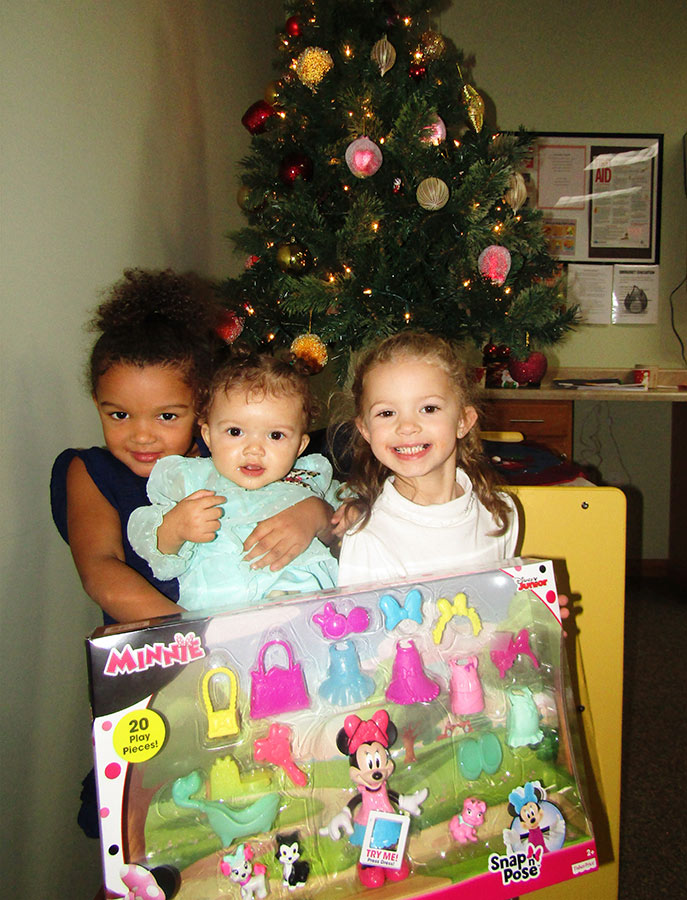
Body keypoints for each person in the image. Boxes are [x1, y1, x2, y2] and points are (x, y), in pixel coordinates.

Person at [51, 269, 334, 626]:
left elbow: (325, 506)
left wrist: (313, 514)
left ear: (201, 408)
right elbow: (101, 573)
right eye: (120, 415)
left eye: (166, 416)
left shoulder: (234, 451)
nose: (142, 435)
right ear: (97, 403)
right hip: (165, 647)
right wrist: (199, 636)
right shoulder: (91, 471)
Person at [127, 350, 338, 612]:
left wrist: (315, 515)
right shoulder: (192, 481)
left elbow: (346, 528)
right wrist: (175, 527)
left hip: (307, 613)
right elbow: (145, 539)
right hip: (224, 616)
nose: (254, 449)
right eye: (235, 432)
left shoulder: (309, 477)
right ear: (208, 435)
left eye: (275, 435)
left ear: (299, 446)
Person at [336, 331, 517, 587]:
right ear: (366, 430)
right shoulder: (370, 537)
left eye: (429, 409)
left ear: (463, 421)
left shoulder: (500, 513)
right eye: (387, 413)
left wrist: (532, 614)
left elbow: (500, 605)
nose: (407, 426)